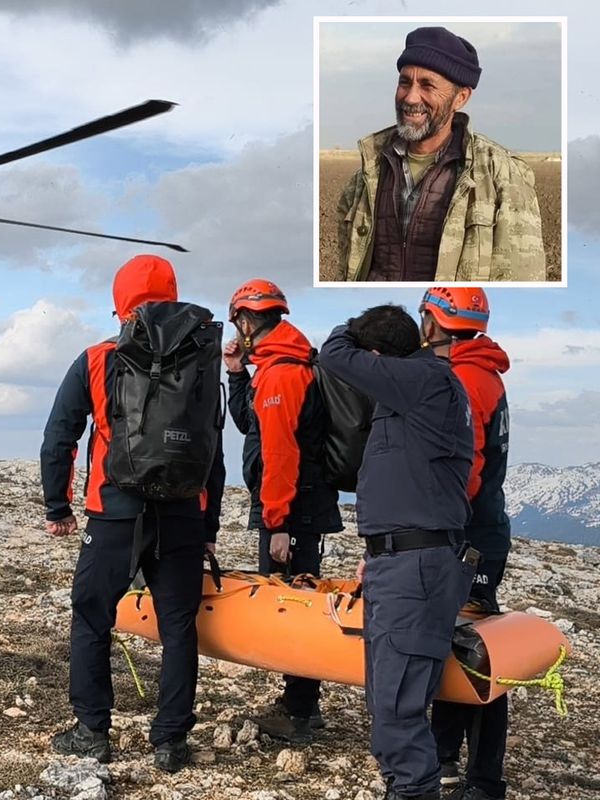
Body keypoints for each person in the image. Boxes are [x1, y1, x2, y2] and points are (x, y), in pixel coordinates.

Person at [40, 254, 225, 773]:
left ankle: (92, 731)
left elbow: (60, 438)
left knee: (92, 618)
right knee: (179, 627)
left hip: (115, 512)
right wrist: (207, 527)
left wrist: (59, 505)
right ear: (172, 292)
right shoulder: (202, 359)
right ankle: (170, 742)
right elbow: (212, 449)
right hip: (185, 513)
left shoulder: (98, 358)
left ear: (120, 301)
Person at [318, 305, 477, 800]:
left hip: (416, 567)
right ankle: (406, 786)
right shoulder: (419, 389)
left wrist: (351, 330)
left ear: (379, 357)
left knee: (397, 705)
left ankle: (411, 791)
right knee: (391, 695)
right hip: (405, 559)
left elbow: (333, 354)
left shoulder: (422, 381)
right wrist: (381, 550)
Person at [223, 279, 344, 745]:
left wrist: (277, 523)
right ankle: (298, 702)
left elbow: (279, 454)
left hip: (293, 510)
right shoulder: (274, 368)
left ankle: (300, 712)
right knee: (295, 596)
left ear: (248, 321)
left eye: (238, 322)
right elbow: (250, 426)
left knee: (294, 604)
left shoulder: (282, 374)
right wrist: (236, 373)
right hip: (297, 506)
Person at [332, 26, 545, 282]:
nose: (410, 98)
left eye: (427, 85)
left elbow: (524, 278)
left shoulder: (502, 176)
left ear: (460, 98)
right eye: (404, 82)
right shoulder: (365, 178)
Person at [417, 287, 512, 800]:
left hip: (468, 532)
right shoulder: (480, 372)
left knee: (476, 649)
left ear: (435, 322)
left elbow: (466, 470)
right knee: (455, 642)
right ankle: (445, 758)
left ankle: (485, 779)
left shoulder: (467, 379)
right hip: (479, 529)